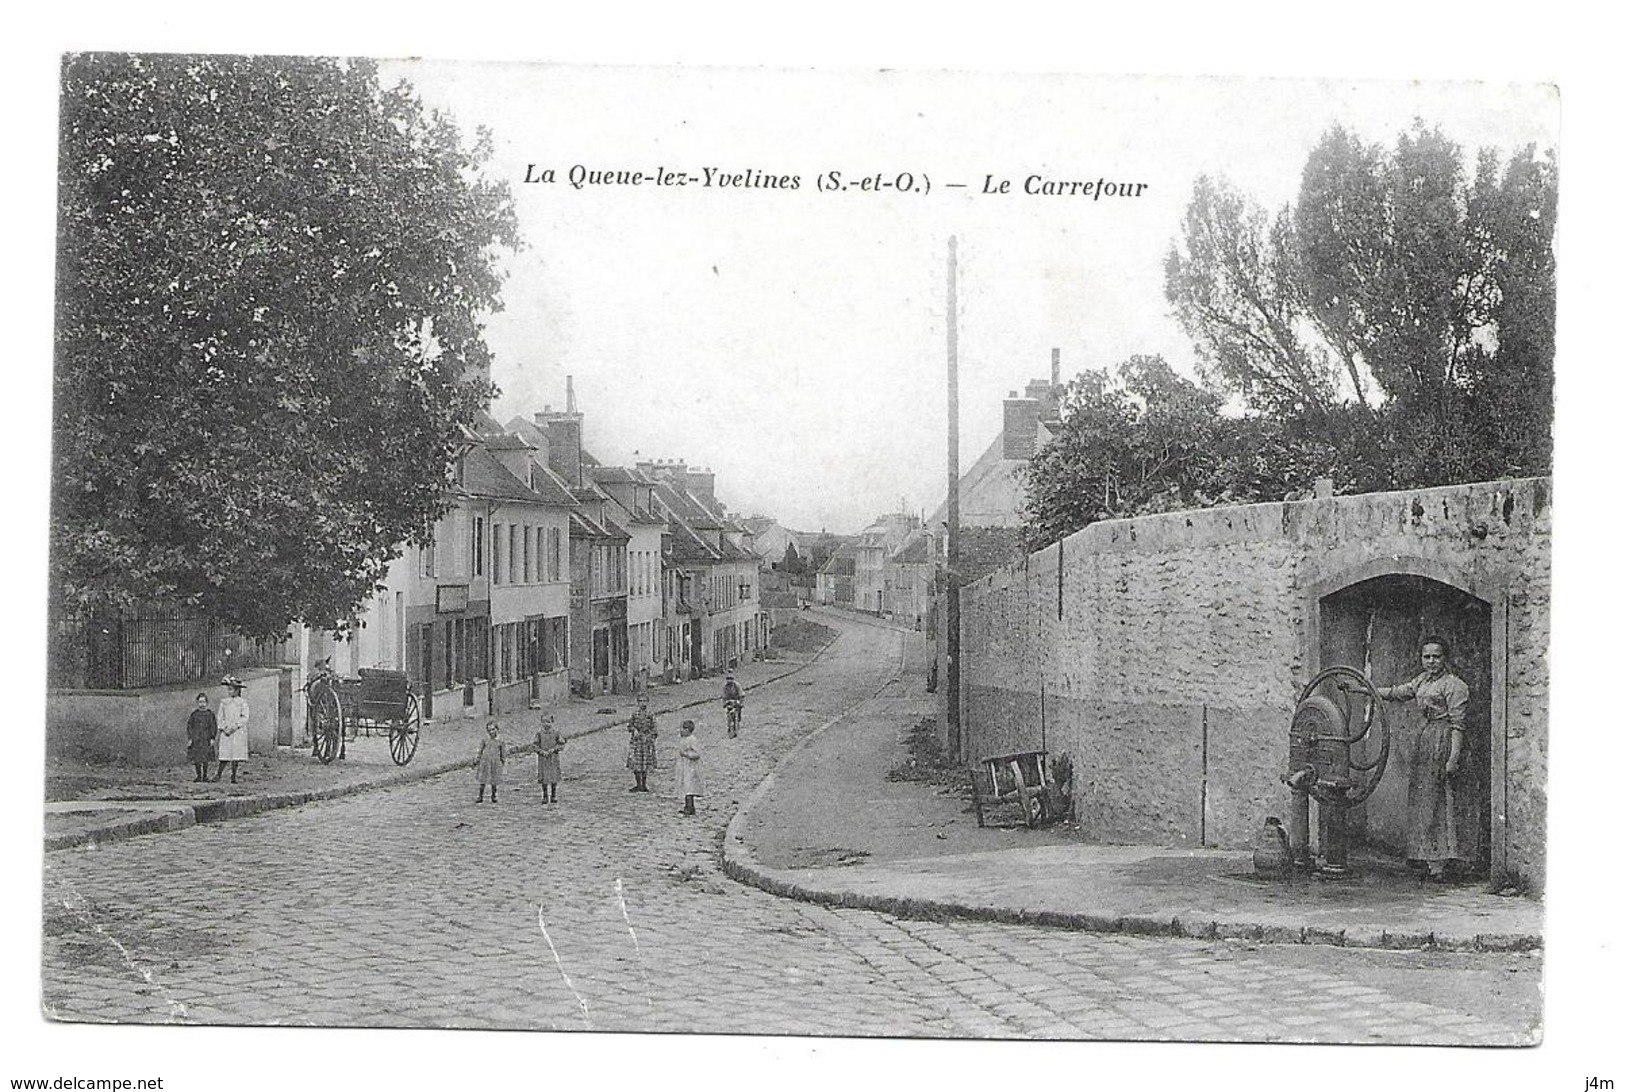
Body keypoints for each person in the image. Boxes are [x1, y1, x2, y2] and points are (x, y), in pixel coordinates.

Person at [1377, 637, 1477, 881]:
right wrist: (1365, 688)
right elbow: (1397, 692)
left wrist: (1452, 759)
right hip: (1425, 743)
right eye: (1427, 656)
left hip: (1444, 742)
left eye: (1436, 656)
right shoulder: (1422, 680)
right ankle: (1425, 854)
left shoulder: (1455, 685)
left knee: (1442, 801)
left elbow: (1458, 726)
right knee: (1425, 800)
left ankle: (1443, 863)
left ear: (1445, 658)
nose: (1431, 661)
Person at [214, 676, 250, 783]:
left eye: (232, 689)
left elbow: (245, 717)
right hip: (226, 732)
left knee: (236, 754)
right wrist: (224, 728)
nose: (230, 692)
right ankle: (218, 774)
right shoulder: (224, 702)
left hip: (237, 732)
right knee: (225, 754)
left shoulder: (242, 702)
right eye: (228, 689)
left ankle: (233, 776)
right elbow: (220, 717)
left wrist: (235, 726)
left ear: (237, 690)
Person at [626, 695, 658, 792]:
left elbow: (654, 729)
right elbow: (629, 726)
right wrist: (633, 730)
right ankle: (638, 784)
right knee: (636, 763)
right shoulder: (635, 714)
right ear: (638, 703)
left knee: (645, 763)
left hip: (646, 742)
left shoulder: (650, 715)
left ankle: (644, 784)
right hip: (636, 742)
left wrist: (649, 737)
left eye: (645, 701)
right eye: (641, 701)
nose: (643, 703)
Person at [186, 693, 217, 783]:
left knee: (205, 758)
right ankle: (198, 775)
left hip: (206, 738)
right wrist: (190, 738)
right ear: (197, 703)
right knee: (197, 759)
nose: (202, 704)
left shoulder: (210, 714)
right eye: (200, 702)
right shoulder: (194, 714)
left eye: (203, 702)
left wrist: (212, 738)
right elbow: (189, 726)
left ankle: (205, 775)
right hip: (196, 739)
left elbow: (213, 726)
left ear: (206, 703)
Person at [534, 714, 565, 804]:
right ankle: (545, 795)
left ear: (552, 722)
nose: (546, 724)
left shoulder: (556, 733)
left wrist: (554, 749)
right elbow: (534, 745)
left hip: (553, 758)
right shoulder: (539, 733)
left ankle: (554, 795)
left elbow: (561, 744)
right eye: (544, 722)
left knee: (553, 776)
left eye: (548, 722)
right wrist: (540, 751)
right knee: (544, 777)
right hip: (543, 759)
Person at [676, 719, 703, 816]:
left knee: (689, 786)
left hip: (691, 766)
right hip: (684, 766)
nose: (681, 730)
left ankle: (690, 807)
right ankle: (688, 806)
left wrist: (686, 754)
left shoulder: (692, 740)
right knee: (685, 785)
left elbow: (697, 754)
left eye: (684, 729)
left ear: (688, 730)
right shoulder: (683, 739)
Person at [475, 720, 505, 803]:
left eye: (493, 729)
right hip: (485, 761)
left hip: (495, 762)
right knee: (483, 779)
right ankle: (480, 795)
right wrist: (478, 758)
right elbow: (480, 749)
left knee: (494, 779)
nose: (491, 732)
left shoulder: (500, 741)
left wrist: (502, 761)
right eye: (489, 730)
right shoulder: (485, 740)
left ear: (497, 729)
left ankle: (494, 795)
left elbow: (503, 752)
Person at [722, 672, 743, 738]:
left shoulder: (737, 685)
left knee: (738, 713)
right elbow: (724, 696)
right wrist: (724, 703)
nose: (729, 680)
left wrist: (740, 702)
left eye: (731, 679)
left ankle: (737, 725)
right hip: (729, 701)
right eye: (728, 679)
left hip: (736, 700)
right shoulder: (725, 686)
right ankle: (729, 727)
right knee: (728, 714)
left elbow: (741, 694)